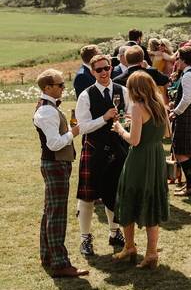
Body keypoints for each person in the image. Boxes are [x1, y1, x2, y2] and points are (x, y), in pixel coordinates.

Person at [112, 71, 171, 269]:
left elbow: (134, 140)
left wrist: (121, 129)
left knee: (129, 197)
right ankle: (151, 252)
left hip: (140, 159)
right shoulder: (160, 104)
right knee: (151, 200)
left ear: (134, 89)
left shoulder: (138, 107)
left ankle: (129, 246)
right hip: (156, 156)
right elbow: (167, 132)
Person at [75, 53, 131, 255]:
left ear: (110, 67)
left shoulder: (122, 90)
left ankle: (114, 232)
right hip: (94, 148)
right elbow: (83, 127)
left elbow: (131, 116)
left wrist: (124, 120)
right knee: (88, 197)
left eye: (106, 68)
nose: (104, 72)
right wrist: (104, 118)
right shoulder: (86, 95)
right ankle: (85, 238)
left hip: (118, 148)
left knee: (114, 192)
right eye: (99, 70)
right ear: (92, 72)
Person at [35, 69, 87, 277]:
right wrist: (73, 133)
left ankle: (48, 255)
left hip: (55, 164)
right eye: (60, 85)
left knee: (50, 211)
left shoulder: (48, 108)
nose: (64, 87)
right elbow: (55, 143)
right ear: (48, 88)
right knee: (57, 214)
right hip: (55, 164)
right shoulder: (47, 111)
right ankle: (60, 262)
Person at [168, 47, 191, 197]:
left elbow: (187, 99)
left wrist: (175, 112)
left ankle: (190, 186)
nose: (176, 61)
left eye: (177, 59)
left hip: (187, 114)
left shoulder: (188, 75)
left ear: (183, 60)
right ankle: (190, 185)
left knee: (181, 150)